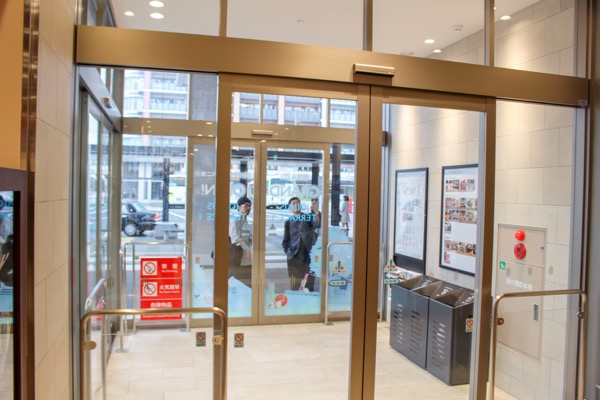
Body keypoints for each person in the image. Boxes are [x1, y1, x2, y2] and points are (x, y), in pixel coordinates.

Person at [282, 197, 316, 291]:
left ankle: (308, 298)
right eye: (293, 203)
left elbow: (317, 223)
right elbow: (285, 240)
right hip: (293, 255)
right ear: (290, 207)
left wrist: (315, 211)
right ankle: (295, 298)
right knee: (294, 283)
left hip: (308, 255)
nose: (296, 204)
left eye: (298, 203)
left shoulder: (308, 218)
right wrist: (288, 252)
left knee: (308, 283)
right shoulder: (288, 222)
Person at [229, 196, 252, 287]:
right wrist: (247, 249)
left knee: (247, 281)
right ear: (239, 207)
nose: (248, 208)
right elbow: (236, 239)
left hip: (246, 257)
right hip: (239, 256)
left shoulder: (244, 221)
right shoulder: (236, 221)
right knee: (242, 281)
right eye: (246, 206)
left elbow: (245, 236)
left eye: (249, 206)